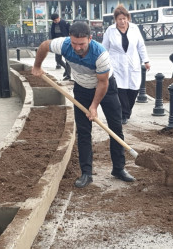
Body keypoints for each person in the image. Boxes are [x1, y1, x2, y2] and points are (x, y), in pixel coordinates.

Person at [31, 22, 135, 188]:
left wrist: (94, 106)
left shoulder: (100, 54)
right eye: (74, 43)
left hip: (106, 88)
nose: (77, 47)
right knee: (84, 131)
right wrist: (37, 66)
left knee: (116, 127)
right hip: (82, 88)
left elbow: (102, 83)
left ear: (90, 39)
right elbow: (44, 46)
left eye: (82, 44)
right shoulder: (64, 45)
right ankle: (86, 173)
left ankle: (119, 168)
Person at [102, 5, 151, 125]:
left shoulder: (134, 28)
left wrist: (146, 60)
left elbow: (141, 46)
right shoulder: (110, 30)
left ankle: (127, 111)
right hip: (116, 65)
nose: (123, 21)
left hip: (133, 63)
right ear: (115, 20)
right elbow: (104, 48)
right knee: (120, 90)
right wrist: (102, 63)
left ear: (128, 18)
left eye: (124, 18)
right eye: (120, 19)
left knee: (134, 90)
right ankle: (123, 114)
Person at [50, 13, 71, 80]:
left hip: (65, 43)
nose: (55, 22)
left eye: (56, 20)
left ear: (59, 18)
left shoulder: (65, 23)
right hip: (57, 43)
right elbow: (52, 33)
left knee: (67, 60)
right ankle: (66, 69)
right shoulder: (53, 25)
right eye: (54, 21)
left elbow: (70, 31)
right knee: (58, 59)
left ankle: (68, 75)